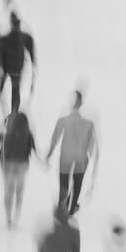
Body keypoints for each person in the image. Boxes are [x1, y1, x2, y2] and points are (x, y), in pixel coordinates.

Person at [45, 87, 96, 216]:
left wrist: (48, 155)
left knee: (64, 182)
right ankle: (72, 208)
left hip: (66, 156)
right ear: (81, 104)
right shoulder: (89, 123)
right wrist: (89, 154)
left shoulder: (63, 121)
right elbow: (91, 144)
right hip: (81, 157)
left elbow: (54, 139)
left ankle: (62, 207)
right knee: (77, 183)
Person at [0, 98, 35, 226]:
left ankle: (8, 218)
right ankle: (16, 217)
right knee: (19, 191)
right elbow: (33, 150)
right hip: (22, 164)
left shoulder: (5, 132)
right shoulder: (28, 134)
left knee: (8, 191)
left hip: (7, 164)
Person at [0, 12, 36, 108]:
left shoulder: (5, 39)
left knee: (7, 90)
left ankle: (11, 115)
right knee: (14, 91)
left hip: (9, 69)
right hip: (16, 69)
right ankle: (12, 115)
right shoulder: (24, 37)